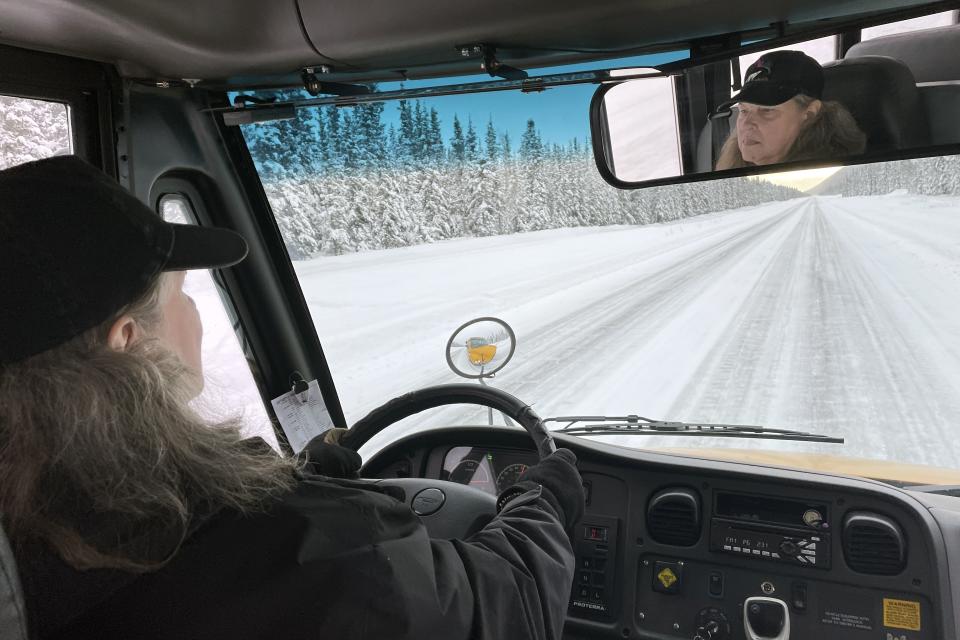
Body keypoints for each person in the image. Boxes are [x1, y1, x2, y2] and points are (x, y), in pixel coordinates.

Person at [0, 156, 585, 639]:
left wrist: (301, 480)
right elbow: (511, 606)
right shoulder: (315, 554)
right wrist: (543, 502)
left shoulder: (24, 545)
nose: (196, 312)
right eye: (180, 293)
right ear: (127, 342)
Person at [714, 50, 867, 170]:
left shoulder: (830, 179)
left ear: (809, 114)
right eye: (743, 111)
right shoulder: (730, 175)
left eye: (766, 111)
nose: (746, 124)